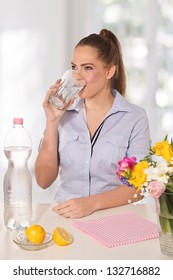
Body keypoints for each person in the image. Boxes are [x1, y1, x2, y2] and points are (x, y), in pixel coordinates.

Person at [34, 29, 150, 218]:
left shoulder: (134, 118)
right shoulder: (63, 113)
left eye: (87, 68)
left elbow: (140, 186)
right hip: (65, 218)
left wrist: (92, 203)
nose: (77, 76)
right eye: (74, 67)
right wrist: (52, 121)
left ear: (109, 71)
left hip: (113, 218)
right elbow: (43, 180)